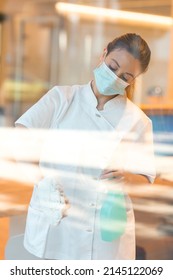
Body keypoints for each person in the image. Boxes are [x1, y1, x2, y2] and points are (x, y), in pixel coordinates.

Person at [15, 33, 156, 260]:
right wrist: (42, 179)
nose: (115, 77)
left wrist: (127, 177)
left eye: (125, 76)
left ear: (133, 80)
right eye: (113, 66)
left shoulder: (137, 121)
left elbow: (147, 179)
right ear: (103, 55)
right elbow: (21, 135)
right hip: (56, 221)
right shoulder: (62, 97)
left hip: (103, 236)